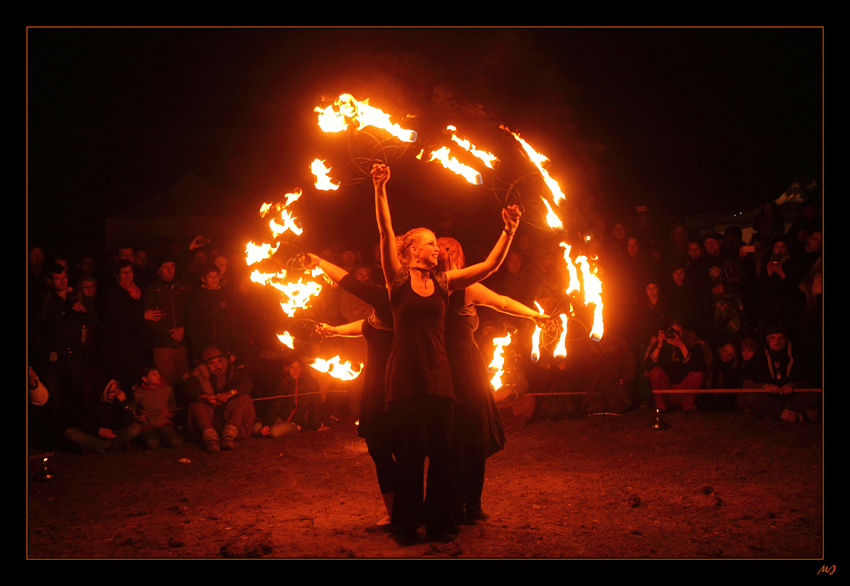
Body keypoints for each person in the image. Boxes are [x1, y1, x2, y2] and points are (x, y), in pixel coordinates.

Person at [373, 162, 520, 542]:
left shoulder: (444, 282)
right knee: (409, 456)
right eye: (430, 242)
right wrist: (380, 188)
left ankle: (441, 522)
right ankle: (405, 525)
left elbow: (488, 267)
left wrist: (509, 230)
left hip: (439, 376)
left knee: (441, 454)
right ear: (411, 250)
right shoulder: (397, 280)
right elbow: (386, 230)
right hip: (405, 377)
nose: (437, 248)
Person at [437, 236, 548, 522]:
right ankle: (450, 505)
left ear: (460, 259)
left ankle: (472, 504)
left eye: (453, 249)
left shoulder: (466, 287)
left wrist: (535, 315)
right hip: (441, 368)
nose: (447, 252)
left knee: (474, 434)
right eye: (441, 247)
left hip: (467, 369)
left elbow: (503, 303)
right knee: (447, 438)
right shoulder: (424, 287)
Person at [302, 252, 397, 528]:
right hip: (376, 385)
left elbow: (348, 283)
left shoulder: (398, 299)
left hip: (396, 384)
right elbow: (368, 324)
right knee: (379, 448)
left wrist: (319, 262)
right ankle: (396, 511)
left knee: (402, 449)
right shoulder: (386, 303)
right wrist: (334, 330)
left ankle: (408, 511)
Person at [184, 346, 255, 452]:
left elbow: (246, 383)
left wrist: (230, 393)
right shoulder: (198, 376)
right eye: (212, 363)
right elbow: (190, 389)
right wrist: (206, 397)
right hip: (210, 423)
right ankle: (211, 439)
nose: (217, 366)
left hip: (232, 422)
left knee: (244, 397)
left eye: (219, 361)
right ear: (204, 366)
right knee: (197, 403)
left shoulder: (230, 371)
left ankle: (228, 436)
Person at [742, 326, 820, 423]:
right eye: (773, 338)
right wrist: (763, 386)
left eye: (781, 338)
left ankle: (776, 413)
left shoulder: (797, 356)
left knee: (813, 395)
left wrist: (793, 385)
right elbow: (747, 383)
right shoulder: (758, 358)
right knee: (752, 397)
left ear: (786, 340)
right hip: (770, 398)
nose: (777, 341)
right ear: (768, 340)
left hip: (792, 399)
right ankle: (791, 415)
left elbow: (808, 382)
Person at [144, 255, 192, 386]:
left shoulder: (185, 286)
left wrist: (183, 329)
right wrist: (169, 333)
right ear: (158, 270)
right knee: (165, 382)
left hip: (182, 343)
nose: (170, 270)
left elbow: (192, 312)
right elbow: (148, 318)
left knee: (186, 380)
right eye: (165, 267)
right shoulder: (152, 290)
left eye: (172, 267)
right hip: (162, 345)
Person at [64, 374, 141, 453]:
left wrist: (124, 402)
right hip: (96, 435)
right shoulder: (92, 405)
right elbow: (83, 424)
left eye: (117, 389)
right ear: (104, 391)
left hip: (114, 434)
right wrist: (99, 431)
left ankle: (104, 446)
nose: (116, 393)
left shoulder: (118, 402)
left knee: (135, 428)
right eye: (112, 391)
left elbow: (129, 422)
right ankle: (106, 446)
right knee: (70, 433)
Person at [645, 319, 707, 412]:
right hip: (666, 391)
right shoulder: (663, 345)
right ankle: (661, 405)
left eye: (678, 332)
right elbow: (647, 367)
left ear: (684, 333)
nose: (674, 334)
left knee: (698, 375)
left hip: (684, 390)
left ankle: (688, 406)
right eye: (672, 331)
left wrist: (681, 346)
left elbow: (698, 367)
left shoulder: (694, 345)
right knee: (655, 372)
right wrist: (659, 345)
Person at [253, 356, 323, 437]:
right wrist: (267, 424)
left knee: (274, 432)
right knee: (256, 429)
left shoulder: (311, 383)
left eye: (298, 367)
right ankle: (271, 426)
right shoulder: (284, 383)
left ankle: (293, 428)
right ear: (287, 368)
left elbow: (316, 405)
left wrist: (316, 425)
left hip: (297, 421)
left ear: (302, 369)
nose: (295, 370)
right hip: (282, 417)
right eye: (292, 367)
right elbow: (276, 405)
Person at [132, 365, 184, 450]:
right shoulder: (138, 393)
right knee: (152, 444)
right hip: (147, 424)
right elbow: (133, 408)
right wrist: (138, 418)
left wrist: (170, 414)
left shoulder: (167, 389)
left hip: (163, 422)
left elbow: (173, 405)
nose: (158, 376)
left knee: (176, 442)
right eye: (153, 374)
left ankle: (170, 436)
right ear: (145, 379)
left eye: (158, 373)